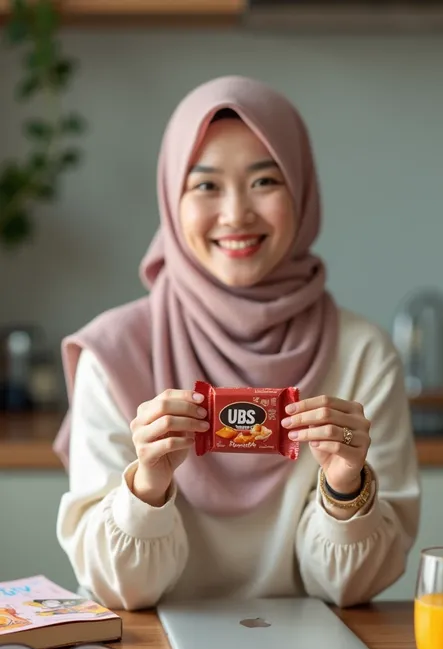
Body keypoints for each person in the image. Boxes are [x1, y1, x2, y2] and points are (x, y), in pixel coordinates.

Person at [54, 76, 420, 611]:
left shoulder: (362, 354)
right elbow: (119, 589)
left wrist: (345, 487)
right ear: (170, 201)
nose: (235, 214)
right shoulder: (113, 353)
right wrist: (147, 484)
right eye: (205, 185)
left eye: (265, 181)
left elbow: (354, 587)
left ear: (302, 190)